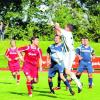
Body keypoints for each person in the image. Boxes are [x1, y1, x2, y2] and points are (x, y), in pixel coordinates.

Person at [54, 23, 82, 93]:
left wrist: (56, 25)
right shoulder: (66, 34)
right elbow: (58, 33)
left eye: (65, 27)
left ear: (68, 28)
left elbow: (58, 28)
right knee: (66, 72)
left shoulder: (67, 33)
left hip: (69, 54)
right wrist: (55, 28)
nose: (64, 27)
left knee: (66, 71)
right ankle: (79, 84)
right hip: (67, 54)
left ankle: (79, 84)